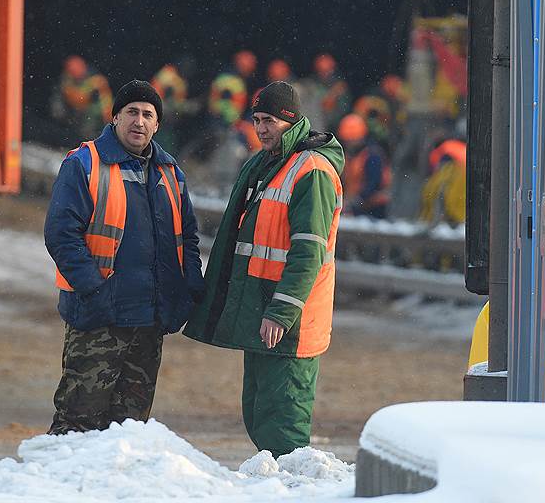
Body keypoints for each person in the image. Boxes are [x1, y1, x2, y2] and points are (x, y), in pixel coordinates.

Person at [183, 81, 344, 457]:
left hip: (289, 323)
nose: (261, 128)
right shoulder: (271, 163)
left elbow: (309, 252)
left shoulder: (312, 171)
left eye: (269, 120)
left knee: (283, 427)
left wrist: (282, 311)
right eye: (256, 120)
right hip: (264, 315)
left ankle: (294, 493)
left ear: (290, 121)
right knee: (259, 415)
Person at [44, 79, 204, 435]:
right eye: (131, 112)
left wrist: (187, 291)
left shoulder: (170, 172)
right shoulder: (85, 163)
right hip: (98, 319)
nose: (140, 121)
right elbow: (61, 234)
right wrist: (95, 291)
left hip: (148, 323)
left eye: (148, 114)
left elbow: (188, 238)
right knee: (77, 425)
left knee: (130, 433)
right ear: (115, 117)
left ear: (157, 124)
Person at [338, 114, 392, 219]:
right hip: (357, 207)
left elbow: (373, 184)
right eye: (347, 140)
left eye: (352, 139)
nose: (349, 143)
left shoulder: (373, 156)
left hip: (375, 209)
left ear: (361, 137)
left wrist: (355, 202)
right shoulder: (348, 156)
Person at [49, 55, 113, 142]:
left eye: (76, 68)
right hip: (74, 110)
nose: (73, 71)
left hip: (93, 110)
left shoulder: (95, 79)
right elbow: (61, 96)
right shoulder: (66, 79)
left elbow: (105, 99)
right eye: (70, 69)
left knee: (90, 125)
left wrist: (106, 112)